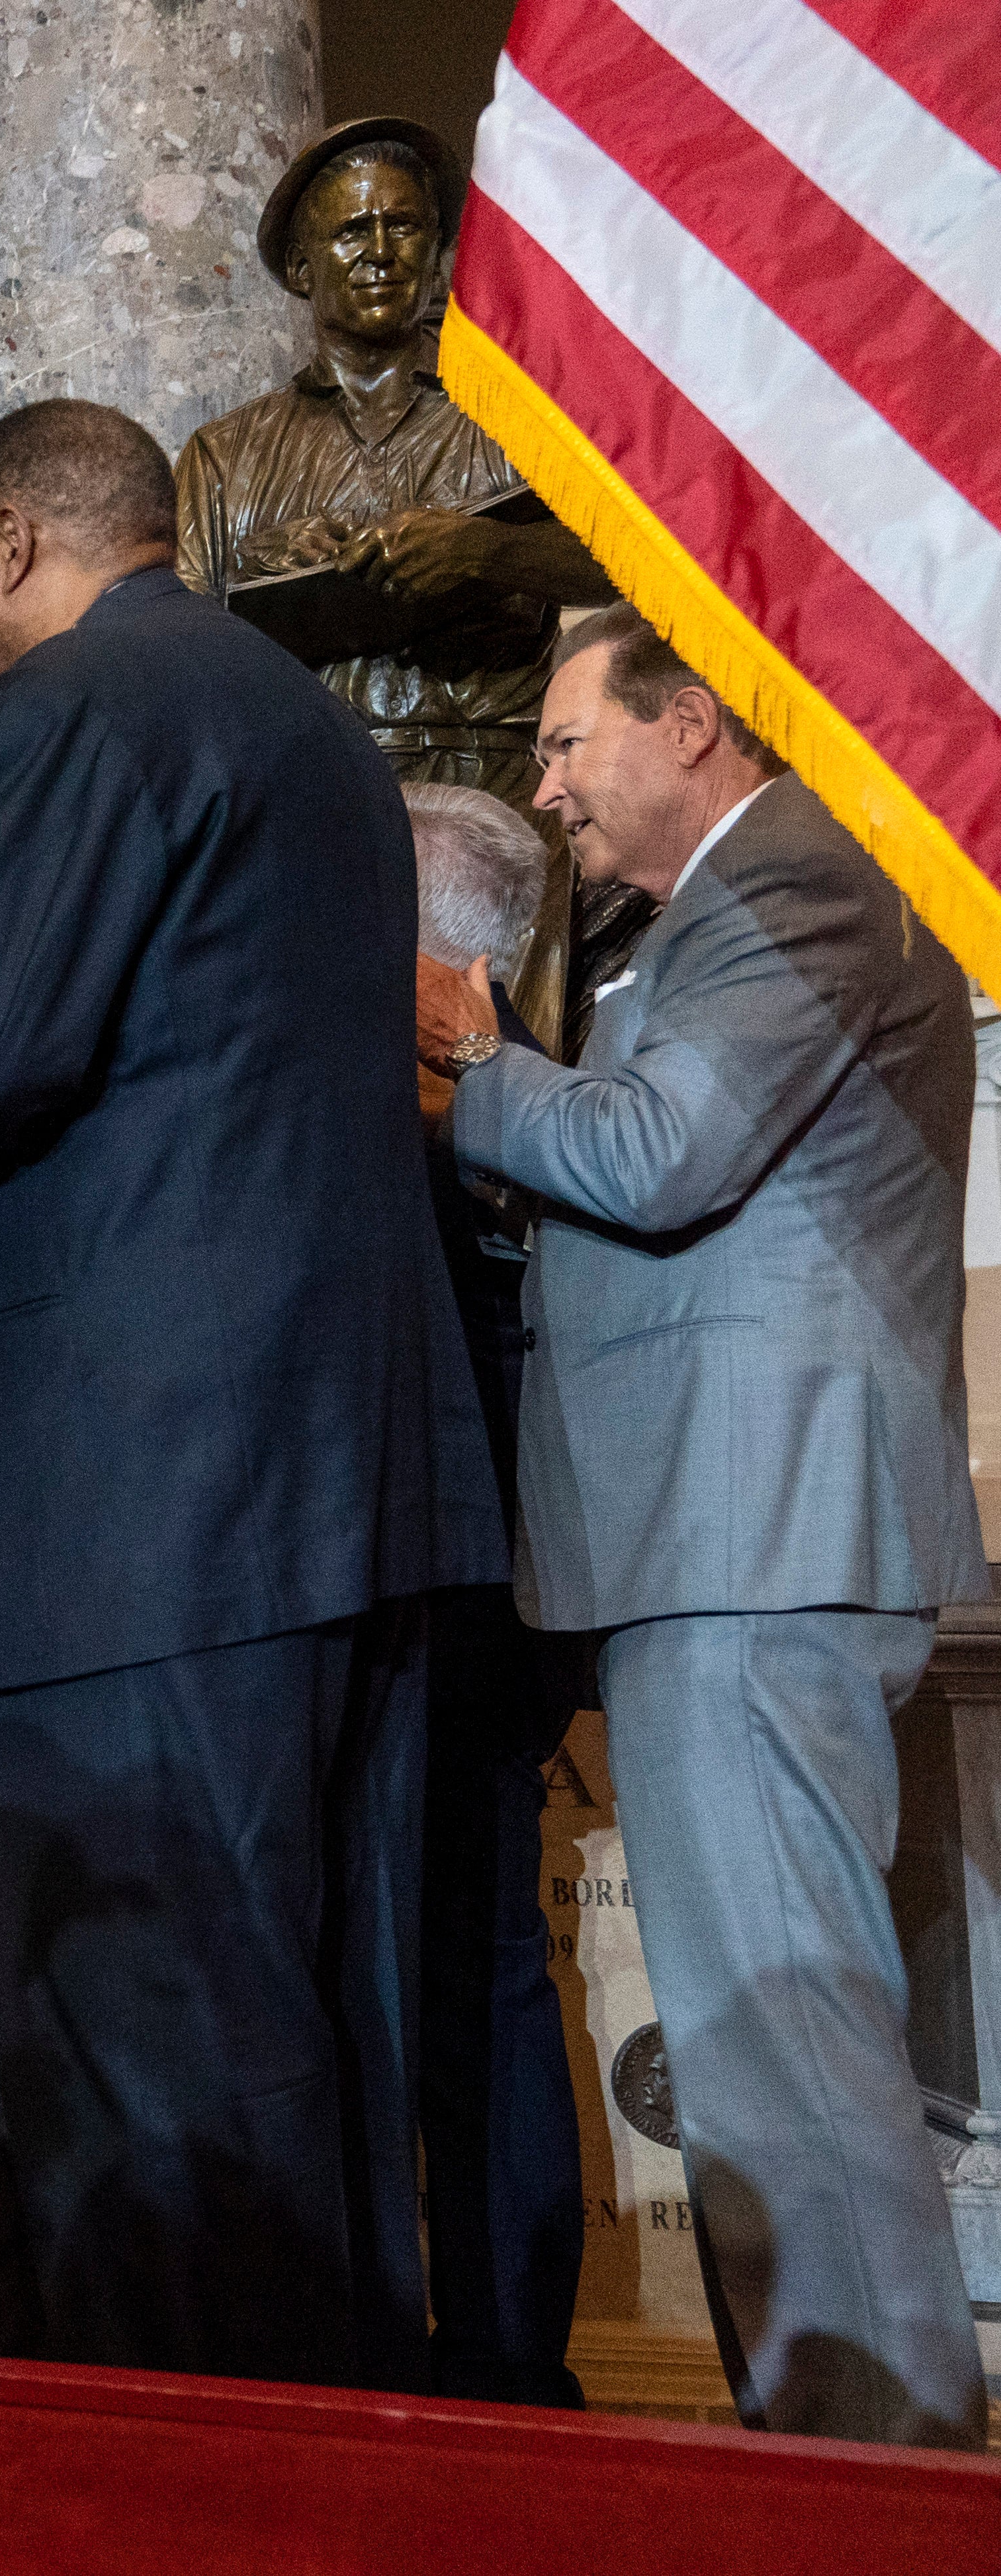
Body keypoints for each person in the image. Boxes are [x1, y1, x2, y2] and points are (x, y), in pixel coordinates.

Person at [0, 398, 500, 2391]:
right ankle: (337, 2480)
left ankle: (182, 2506)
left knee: (143, 2064)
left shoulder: (64, 711)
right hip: (333, 1482)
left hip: (136, 1508)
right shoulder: (302, 729)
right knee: (318, 2042)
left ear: (20, 540)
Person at [420, 608, 990, 2450]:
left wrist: (473, 1056)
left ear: (693, 724)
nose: (546, 780)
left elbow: (658, 1154)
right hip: (731, 1546)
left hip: (752, 1545)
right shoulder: (719, 915)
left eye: (571, 738)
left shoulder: (795, 883)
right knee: (779, 2055)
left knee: (790, 2055)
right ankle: (831, 2463)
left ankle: (877, 2490)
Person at [174, 118, 629, 1050]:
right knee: (327, 1071)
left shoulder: (517, 419)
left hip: (500, 795)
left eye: (405, 227)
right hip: (311, 799)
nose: (381, 253)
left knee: (503, 1073)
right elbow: (179, 643)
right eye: (351, 232)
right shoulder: (225, 456)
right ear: (301, 269)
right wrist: (296, 574)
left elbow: (628, 558)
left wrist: (482, 554)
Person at [398, 780, 589, 2410]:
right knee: (494, 1973)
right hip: (516, 1587)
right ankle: (512, 2354)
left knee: (448, 1976)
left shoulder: (454, 1091)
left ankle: (480, 2350)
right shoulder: (549, 1077)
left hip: (435, 1592)